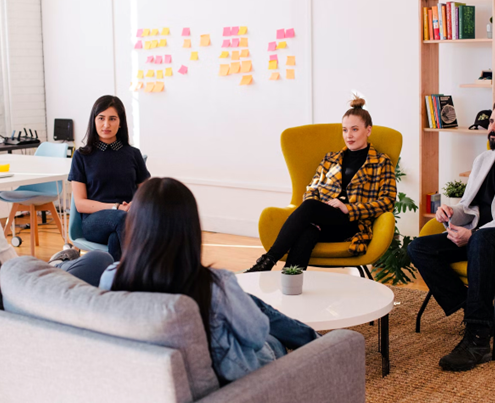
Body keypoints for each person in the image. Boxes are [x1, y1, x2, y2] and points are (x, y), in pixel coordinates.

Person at [60, 177, 319, 384]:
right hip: (235, 379)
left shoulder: (112, 277)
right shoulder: (213, 284)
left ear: (135, 226)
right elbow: (256, 334)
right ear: (190, 228)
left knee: (248, 303)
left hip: (154, 378)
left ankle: (309, 337)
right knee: (269, 335)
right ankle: (319, 344)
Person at [246, 96, 397, 272]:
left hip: (352, 223)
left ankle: (267, 260)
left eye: (355, 129)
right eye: (345, 130)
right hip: (324, 219)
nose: (349, 135)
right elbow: (312, 189)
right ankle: (290, 283)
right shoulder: (330, 159)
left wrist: (349, 208)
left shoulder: (381, 162)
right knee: (308, 233)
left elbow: (388, 201)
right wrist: (321, 209)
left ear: (368, 130)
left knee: (310, 207)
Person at [408, 105, 495, 372]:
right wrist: (450, 212)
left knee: (480, 242)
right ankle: (478, 315)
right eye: (492, 121)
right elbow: (471, 207)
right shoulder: (484, 160)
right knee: (419, 248)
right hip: (478, 237)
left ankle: (478, 339)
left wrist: (473, 236)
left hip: (485, 239)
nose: (492, 128)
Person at [68, 95, 150, 261]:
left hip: (126, 220)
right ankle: (145, 273)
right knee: (123, 219)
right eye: (101, 118)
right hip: (94, 222)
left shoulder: (133, 154)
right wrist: (117, 207)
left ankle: (116, 282)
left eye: (112, 119)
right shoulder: (82, 156)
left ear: (120, 123)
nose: (106, 125)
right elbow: (81, 204)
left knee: (116, 239)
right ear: (94, 121)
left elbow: (148, 193)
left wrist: (135, 204)